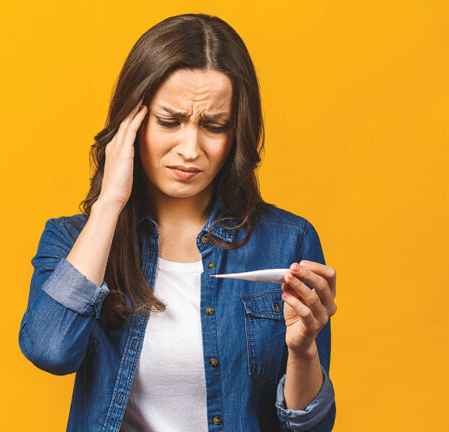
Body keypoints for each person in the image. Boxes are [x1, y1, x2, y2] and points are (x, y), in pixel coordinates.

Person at [18, 13, 337, 432]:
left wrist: (303, 350)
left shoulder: (288, 241)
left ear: (235, 133)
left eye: (214, 126)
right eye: (170, 121)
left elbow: (311, 427)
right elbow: (51, 350)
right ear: (132, 121)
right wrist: (110, 202)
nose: (190, 149)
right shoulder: (73, 240)